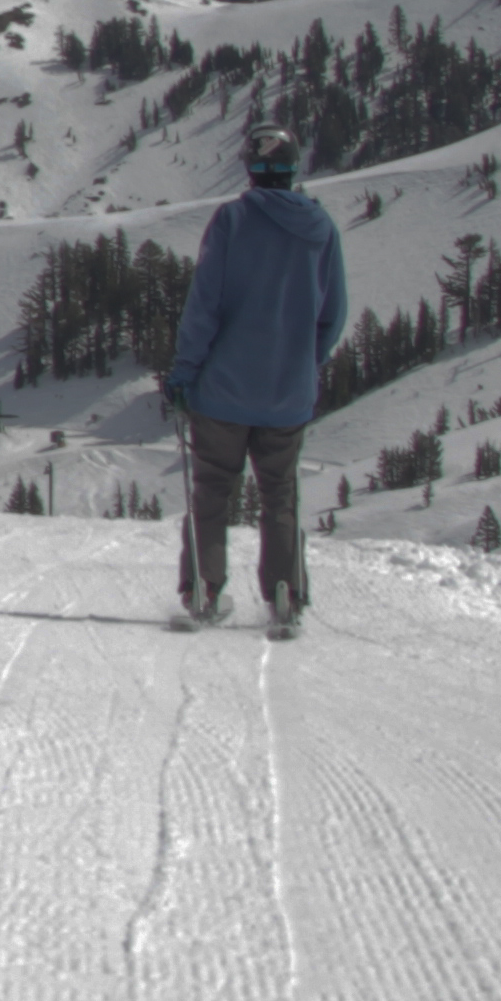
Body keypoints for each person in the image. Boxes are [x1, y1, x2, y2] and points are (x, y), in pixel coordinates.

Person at [161, 122, 346, 634]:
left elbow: (205, 308)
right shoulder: (321, 228)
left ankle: (203, 591)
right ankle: (284, 595)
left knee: (212, 492)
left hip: (222, 391)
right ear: (293, 166)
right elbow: (332, 313)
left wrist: (184, 374)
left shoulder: (233, 221)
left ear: (250, 165)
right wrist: (304, 363)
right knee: (279, 497)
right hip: (287, 394)